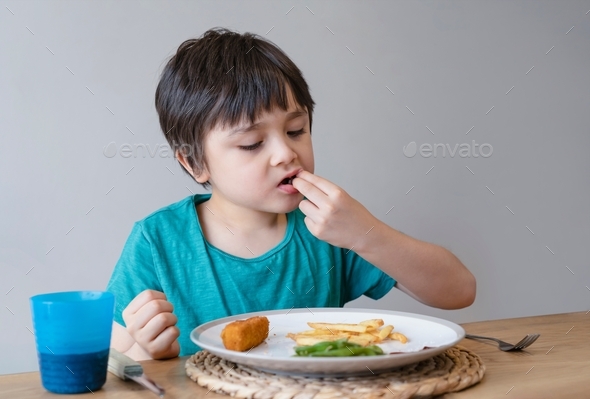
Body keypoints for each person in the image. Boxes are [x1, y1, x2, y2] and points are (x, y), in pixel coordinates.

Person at [107, 28, 476, 360]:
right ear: (194, 163)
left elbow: (459, 290)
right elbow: (113, 360)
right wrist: (143, 349)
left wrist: (367, 233)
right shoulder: (156, 242)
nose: (286, 153)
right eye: (252, 143)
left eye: (296, 130)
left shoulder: (330, 229)